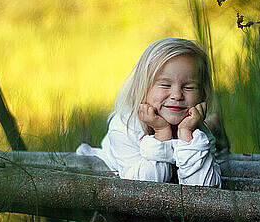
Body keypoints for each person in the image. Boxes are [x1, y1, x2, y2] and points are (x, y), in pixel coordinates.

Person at [77, 38, 221, 186]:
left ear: (202, 94)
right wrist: (162, 133)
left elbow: (204, 187)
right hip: (120, 160)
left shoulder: (193, 126)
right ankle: (215, 126)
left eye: (189, 87)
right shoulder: (124, 127)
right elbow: (146, 186)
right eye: (165, 85)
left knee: (213, 144)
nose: (177, 95)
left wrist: (186, 134)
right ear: (142, 88)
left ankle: (215, 129)